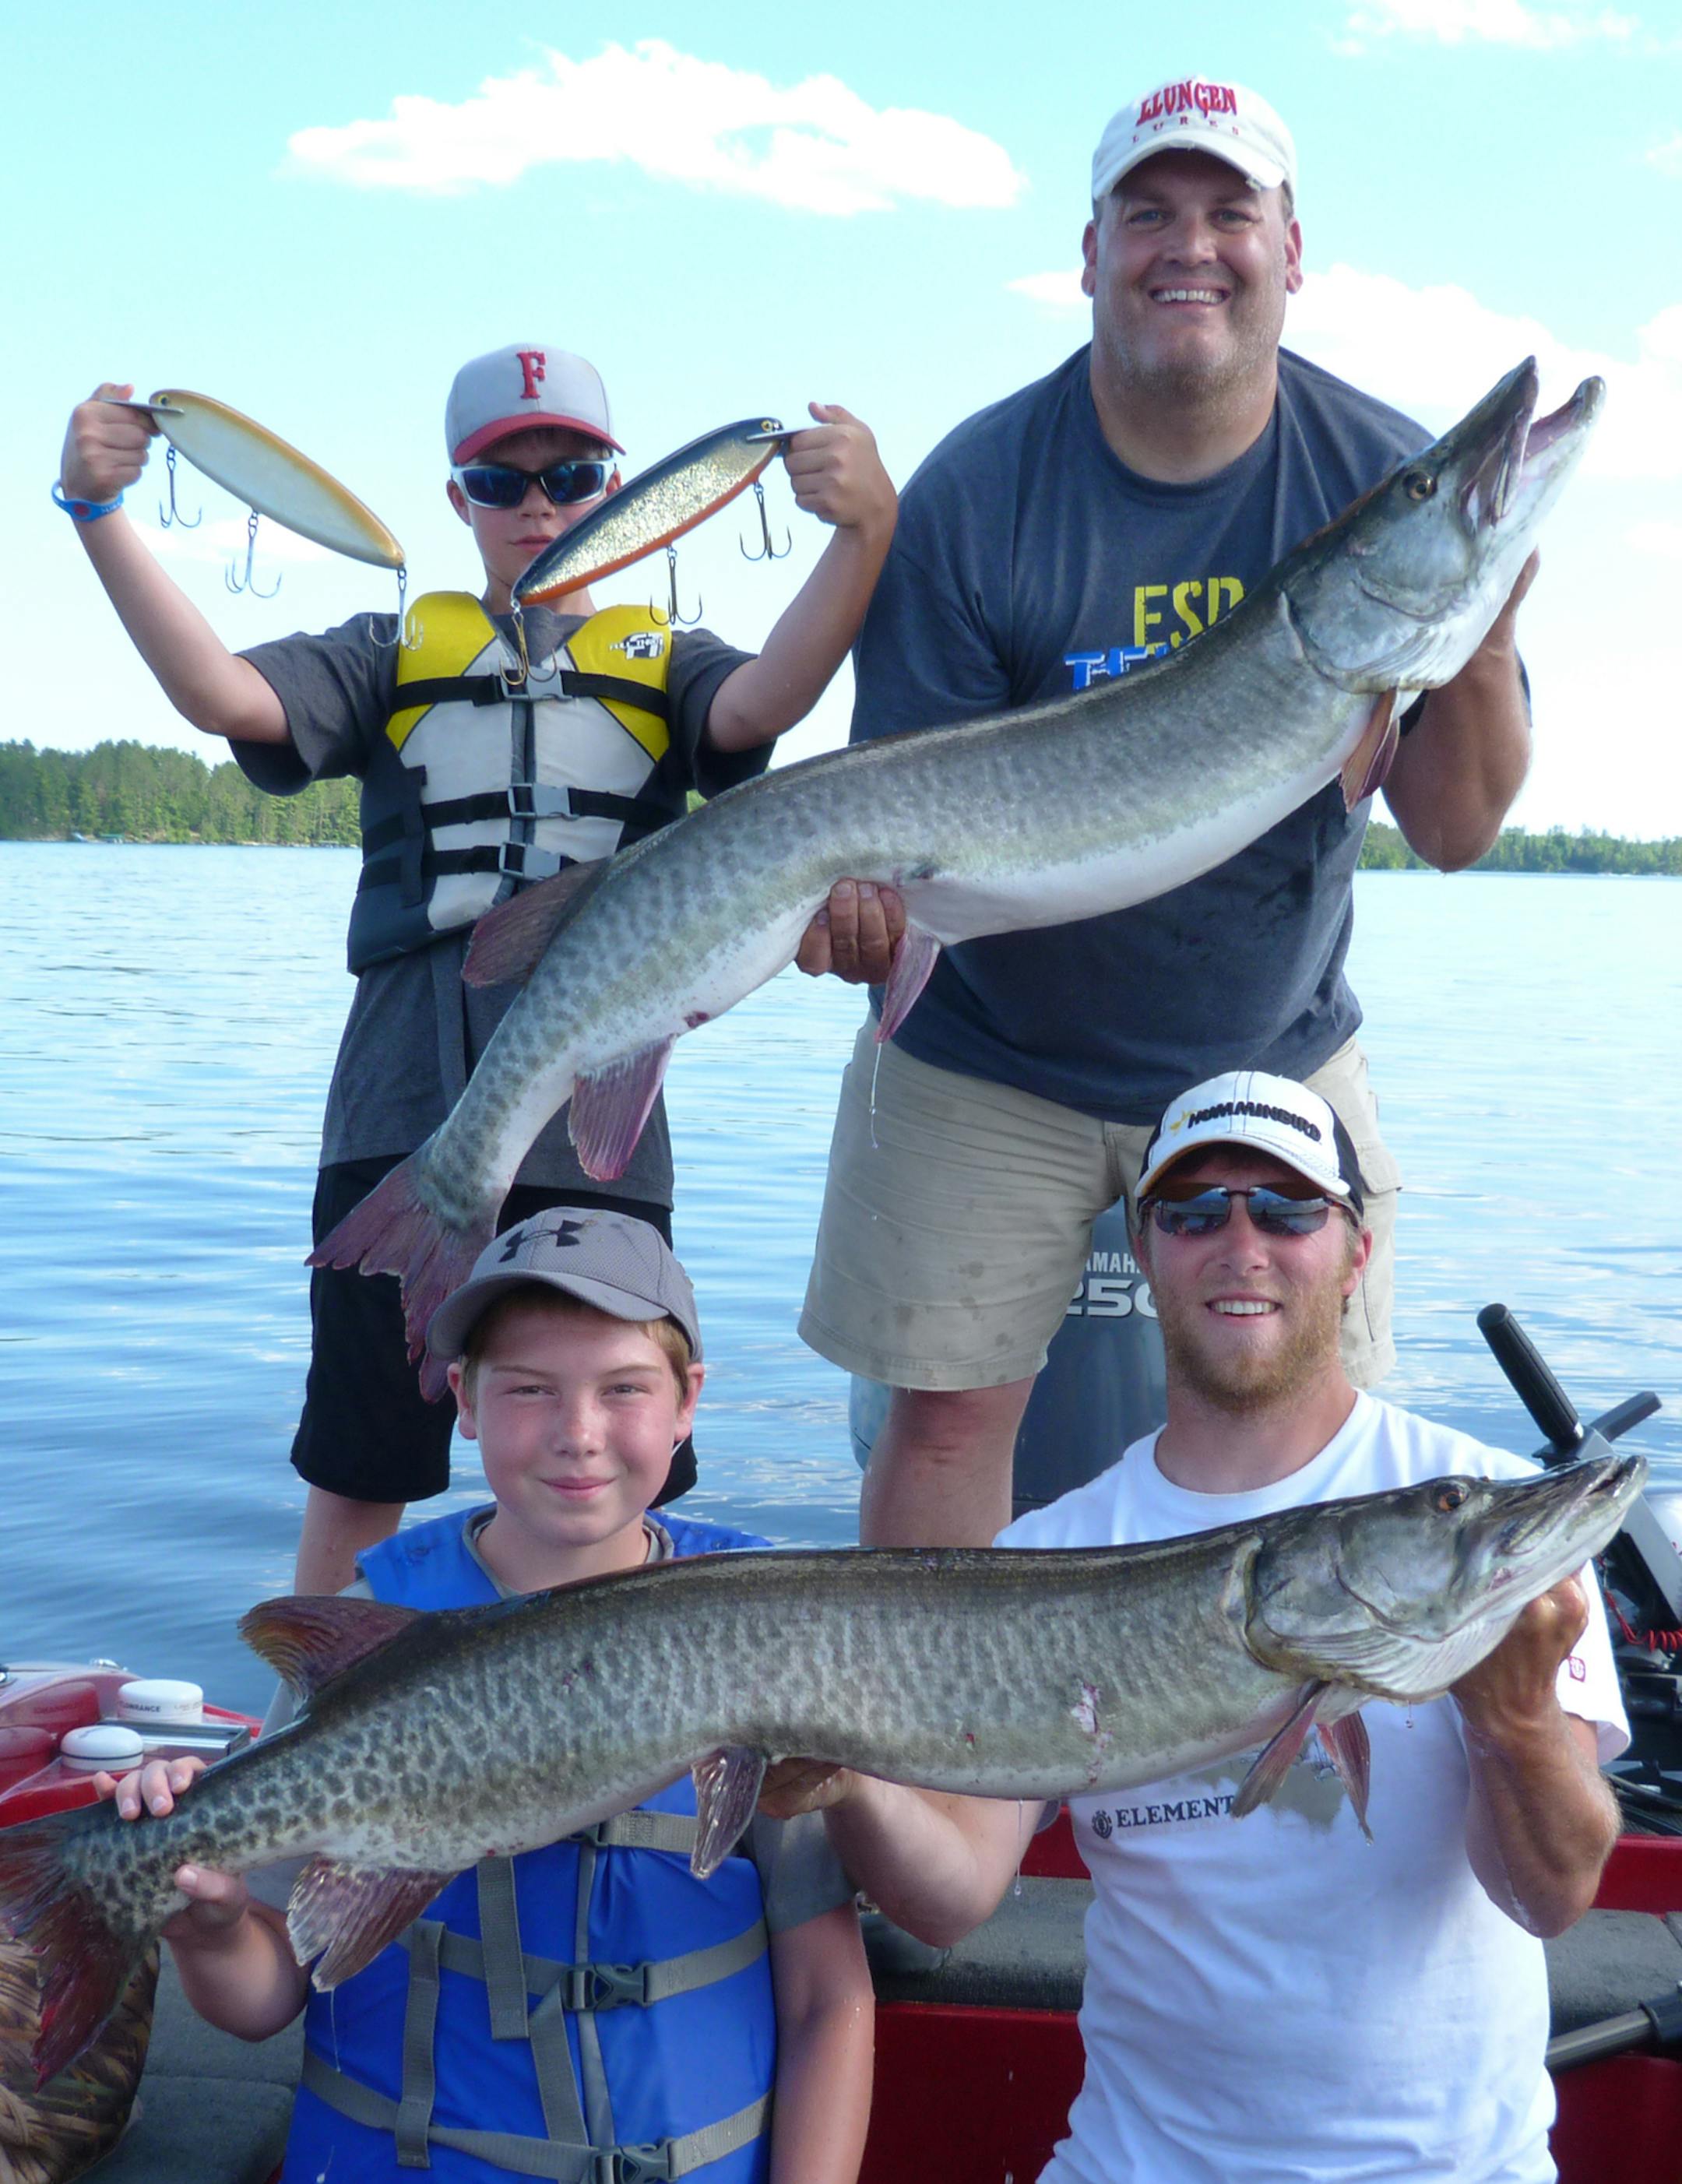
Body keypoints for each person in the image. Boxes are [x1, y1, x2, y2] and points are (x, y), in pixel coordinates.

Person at [795, 77, 1538, 1549]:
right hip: (988, 1048)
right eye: (1150, 214)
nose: (1187, 245)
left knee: (1313, 1419)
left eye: (1226, 212)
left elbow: (1454, 830)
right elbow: (899, 834)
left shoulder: (1380, 476)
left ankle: (1289, 1762)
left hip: (1271, 1034)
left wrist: (1488, 615)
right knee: (946, 1415)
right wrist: (857, 921)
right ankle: (941, 1771)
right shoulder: (977, 490)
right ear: (1091, 255)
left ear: (1289, 250)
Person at [58, 343, 896, 1591]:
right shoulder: (385, 648)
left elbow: (761, 706)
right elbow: (221, 696)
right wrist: (98, 515)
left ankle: (610, 1751)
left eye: (572, 473)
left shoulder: (672, 660)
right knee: (363, 1465)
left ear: (621, 487)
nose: (541, 505)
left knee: (607, 1472)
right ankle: (324, 1736)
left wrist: (863, 534)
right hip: (399, 1110)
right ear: (459, 500)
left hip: (601, 1125)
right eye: (501, 484)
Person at [776, 1067, 1626, 2184]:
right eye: (1195, 1211)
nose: (1242, 1244)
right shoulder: (1053, 1556)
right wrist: (851, 1767)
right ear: (1143, 1248)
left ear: (1354, 1249)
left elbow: (1551, 1896)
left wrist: (1514, 1722)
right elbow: (953, 1899)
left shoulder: (1486, 1510)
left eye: (1286, 1209)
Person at [97, 1208, 874, 2184]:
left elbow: (827, 2000)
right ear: (464, 1398)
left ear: (687, 1404)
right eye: (530, 1390)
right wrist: (208, 1928)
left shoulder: (762, 1628)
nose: (577, 1434)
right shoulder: (373, 1619)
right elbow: (262, 1997)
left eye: (623, 1389)